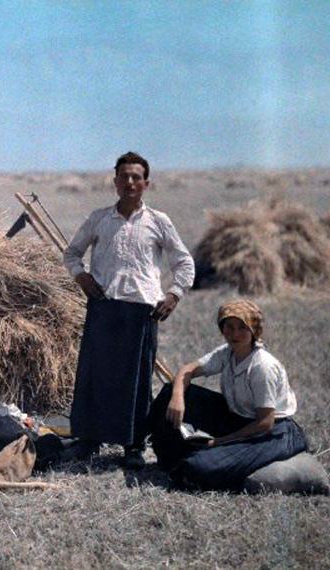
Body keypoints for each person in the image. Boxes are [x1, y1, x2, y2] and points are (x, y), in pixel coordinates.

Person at [62, 151, 195, 469]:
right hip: (104, 308)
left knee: (136, 382)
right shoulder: (99, 219)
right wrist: (81, 277)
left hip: (142, 313)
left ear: (146, 183)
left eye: (136, 177)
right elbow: (71, 254)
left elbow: (184, 262)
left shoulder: (159, 222)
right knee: (95, 377)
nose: (130, 182)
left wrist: (174, 295)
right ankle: (88, 440)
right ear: (115, 182)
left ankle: (133, 445)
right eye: (124, 176)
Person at [147, 300, 308, 490]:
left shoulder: (262, 367)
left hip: (271, 432)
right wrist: (177, 398)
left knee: (199, 466)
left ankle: (195, 462)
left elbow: (265, 422)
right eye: (229, 327)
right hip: (236, 417)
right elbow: (188, 370)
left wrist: (220, 442)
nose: (234, 334)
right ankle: (156, 452)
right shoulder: (228, 352)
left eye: (242, 328)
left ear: (254, 331)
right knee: (170, 390)